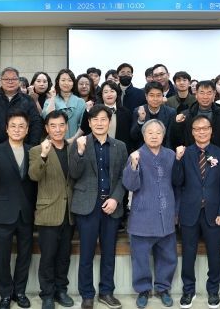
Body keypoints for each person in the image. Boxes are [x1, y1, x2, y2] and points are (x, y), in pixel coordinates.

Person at [69, 104, 128, 309]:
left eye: (104, 119)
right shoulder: (79, 143)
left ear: (109, 122)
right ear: (89, 122)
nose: (99, 123)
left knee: (108, 253)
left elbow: (124, 176)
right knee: (86, 253)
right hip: (87, 205)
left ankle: (106, 292)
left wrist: (116, 199)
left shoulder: (120, 146)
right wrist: (80, 152)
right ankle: (87, 294)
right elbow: (74, 173)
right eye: (95, 120)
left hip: (111, 205)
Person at [172, 115, 220, 309]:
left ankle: (213, 291)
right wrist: (177, 160)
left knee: (214, 254)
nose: (201, 132)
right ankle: (188, 290)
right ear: (192, 132)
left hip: (214, 213)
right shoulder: (185, 153)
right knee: (188, 253)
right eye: (197, 129)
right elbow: (177, 181)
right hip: (189, 211)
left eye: (205, 128)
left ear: (211, 130)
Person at [0, 110, 37, 309]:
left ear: (27, 129)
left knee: (25, 256)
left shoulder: (33, 151)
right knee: (2, 257)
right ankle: (5, 294)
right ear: (6, 128)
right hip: (2, 212)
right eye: (13, 126)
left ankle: (19, 292)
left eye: (22, 126)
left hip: (26, 212)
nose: (17, 129)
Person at [122, 120, 178, 309]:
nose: (154, 136)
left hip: (166, 214)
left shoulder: (171, 155)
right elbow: (130, 185)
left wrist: (176, 211)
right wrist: (134, 164)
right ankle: (143, 290)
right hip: (142, 216)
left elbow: (178, 184)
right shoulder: (136, 155)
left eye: (158, 132)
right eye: (150, 133)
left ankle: (163, 288)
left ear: (163, 135)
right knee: (140, 257)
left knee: (168, 256)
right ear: (144, 135)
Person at [29, 111, 76, 309]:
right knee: (48, 257)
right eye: (53, 126)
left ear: (67, 126)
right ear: (47, 128)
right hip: (48, 212)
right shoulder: (37, 149)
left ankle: (61, 290)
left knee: (64, 256)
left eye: (61, 125)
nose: (58, 129)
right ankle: (47, 294)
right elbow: (34, 175)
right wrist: (43, 155)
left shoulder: (74, 148)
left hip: (69, 212)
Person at [170, 80, 220, 150]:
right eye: (202, 93)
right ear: (196, 94)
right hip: (192, 153)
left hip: (216, 154)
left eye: (209, 93)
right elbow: (177, 140)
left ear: (214, 94)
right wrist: (177, 124)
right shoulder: (185, 115)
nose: (205, 97)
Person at [80, 80, 134, 153]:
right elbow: (84, 129)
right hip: (96, 151)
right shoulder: (94, 110)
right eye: (105, 92)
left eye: (112, 91)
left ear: (117, 93)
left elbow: (129, 137)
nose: (109, 94)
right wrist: (87, 110)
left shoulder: (126, 112)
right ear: (101, 95)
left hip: (118, 152)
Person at [42, 69, 86, 142]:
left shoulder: (80, 102)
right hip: (54, 142)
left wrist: (73, 139)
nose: (66, 83)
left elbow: (83, 125)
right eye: (63, 80)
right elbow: (47, 118)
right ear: (58, 82)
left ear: (73, 83)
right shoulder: (49, 101)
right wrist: (53, 97)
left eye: (69, 80)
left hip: (75, 142)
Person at [131, 81, 176, 149]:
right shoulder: (138, 111)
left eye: (158, 95)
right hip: (143, 150)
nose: (155, 99)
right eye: (151, 95)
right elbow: (134, 136)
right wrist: (140, 120)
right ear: (146, 96)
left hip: (164, 150)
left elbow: (169, 138)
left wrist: (166, 153)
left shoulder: (171, 112)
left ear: (162, 96)